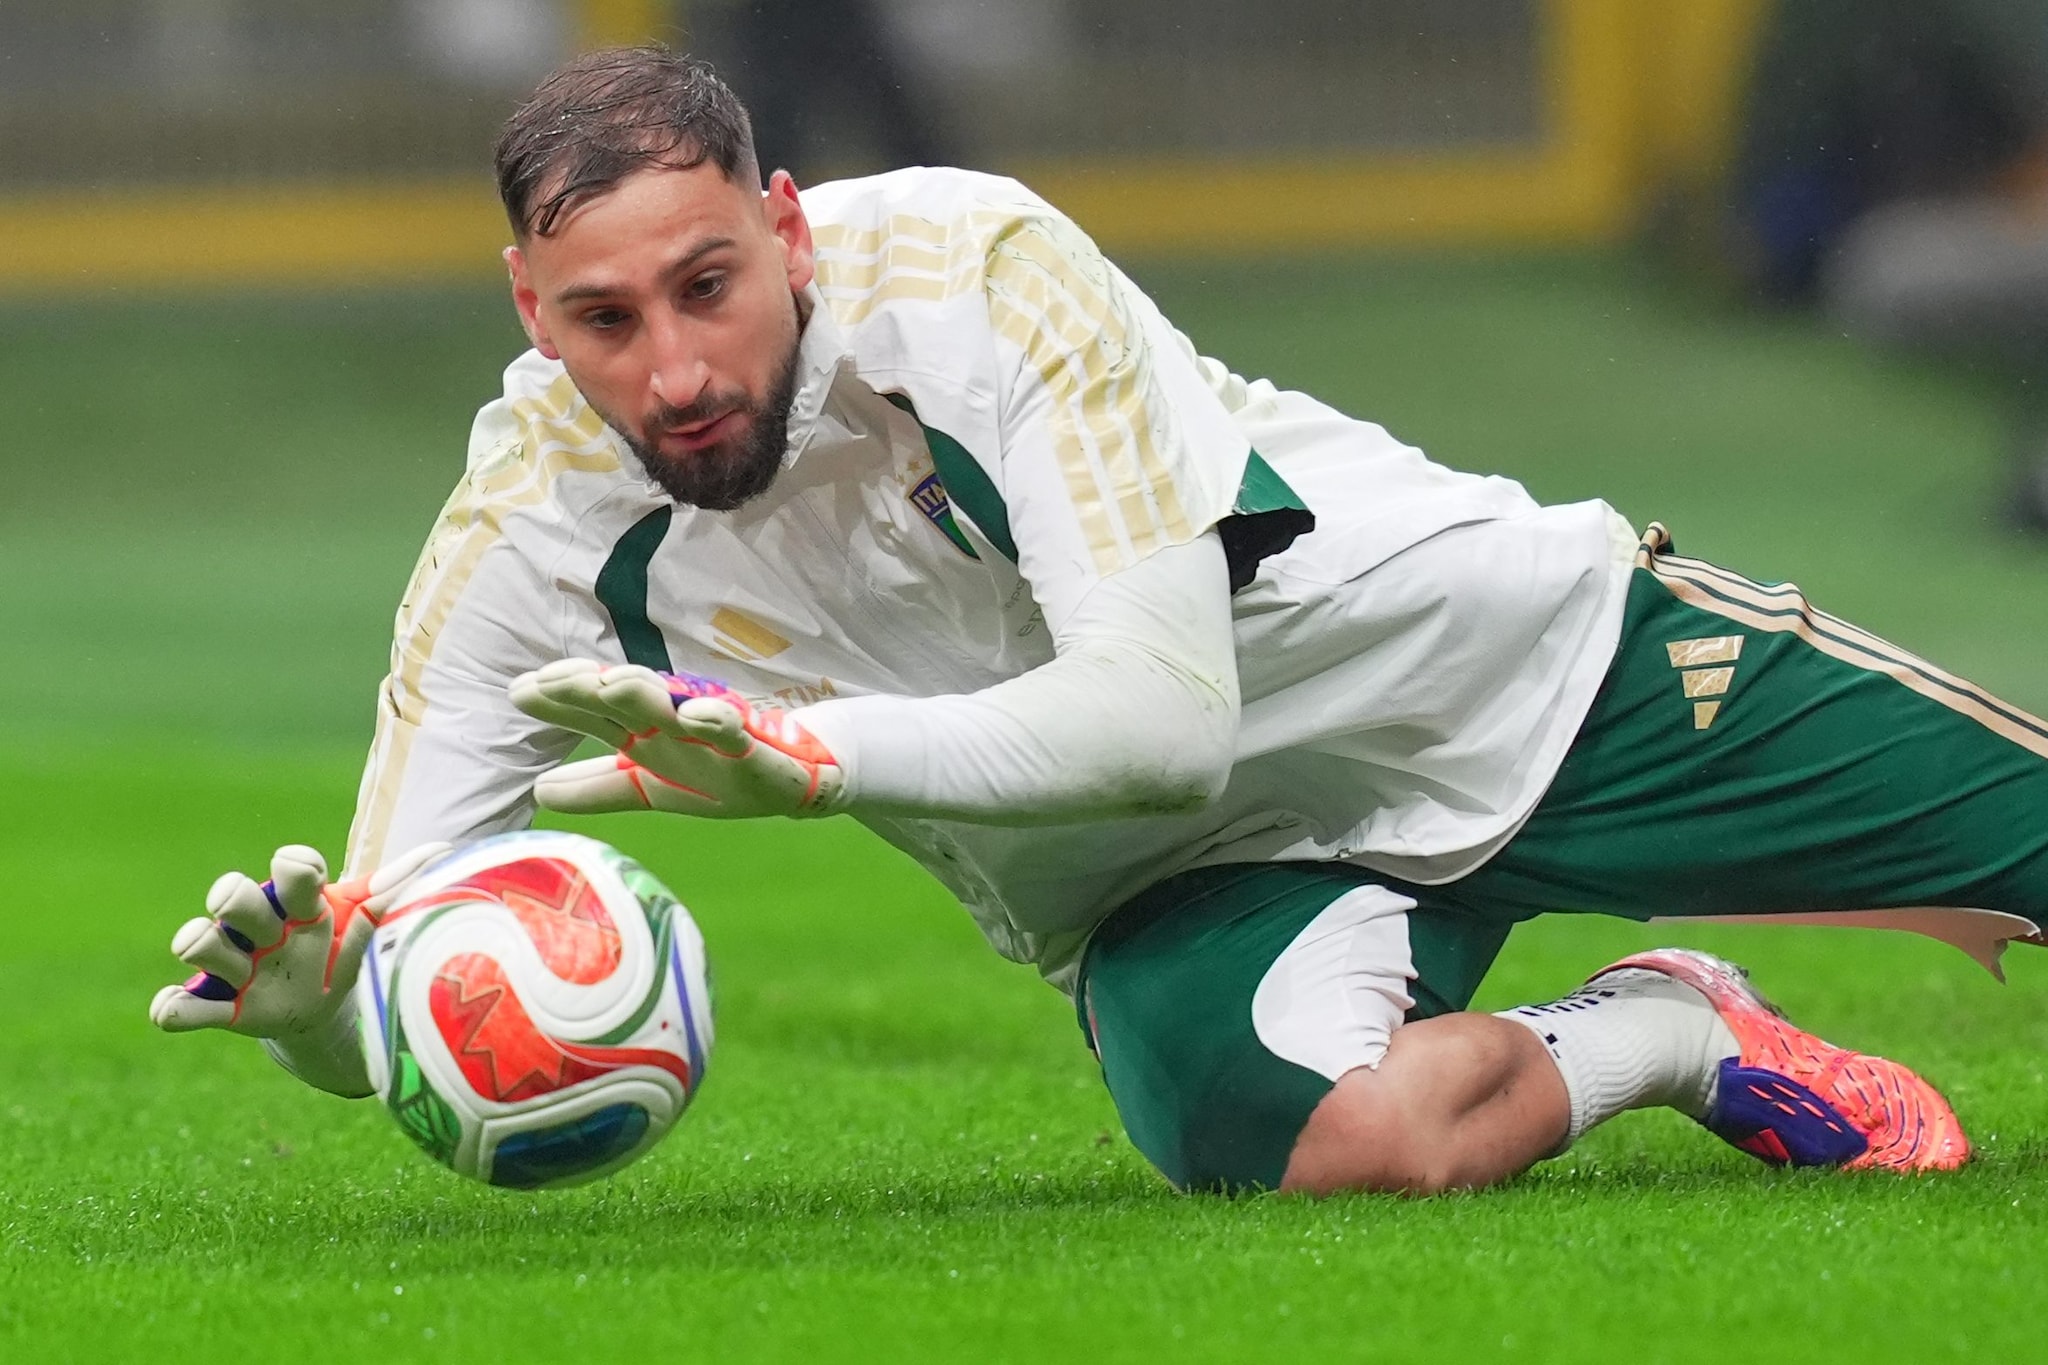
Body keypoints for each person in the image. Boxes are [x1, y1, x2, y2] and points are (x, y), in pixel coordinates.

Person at [152, 46, 2048, 1195]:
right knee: (1334, 1154)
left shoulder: (981, 268)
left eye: (708, 283)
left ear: (791, 231)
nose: (675, 364)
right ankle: (1671, 1029)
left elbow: (1158, 714)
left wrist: (811, 758)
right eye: (604, 320)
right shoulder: (526, 525)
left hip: (1514, 668)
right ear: (526, 305)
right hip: (1174, 888)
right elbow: (394, 938)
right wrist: (330, 1020)